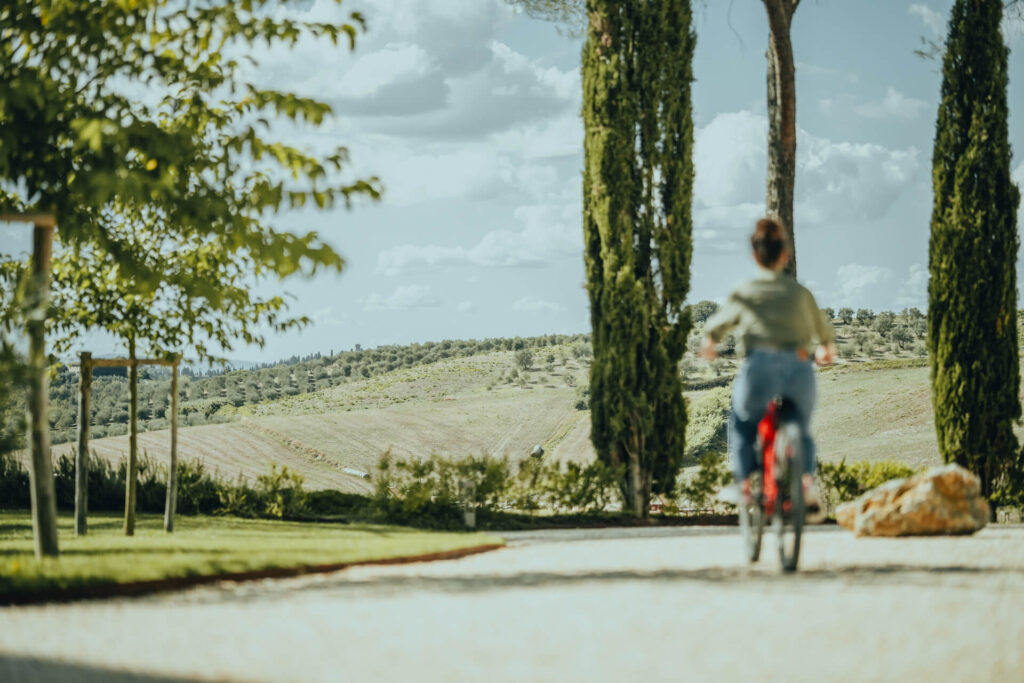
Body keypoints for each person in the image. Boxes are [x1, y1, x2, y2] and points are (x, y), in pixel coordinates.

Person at [699, 218, 836, 512]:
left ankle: (743, 485)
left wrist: (710, 344)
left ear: (755, 255)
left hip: (759, 368)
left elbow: (716, 326)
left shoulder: (746, 291)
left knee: (742, 423)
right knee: (801, 424)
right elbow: (825, 336)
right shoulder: (800, 293)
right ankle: (806, 485)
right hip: (799, 367)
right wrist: (826, 351)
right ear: (784, 255)